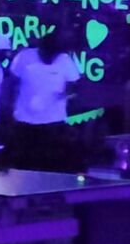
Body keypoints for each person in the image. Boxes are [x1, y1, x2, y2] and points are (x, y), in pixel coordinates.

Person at [8, 31, 82, 170]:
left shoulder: (65, 60)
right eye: (47, 53)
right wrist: (8, 108)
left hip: (54, 123)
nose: (50, 57)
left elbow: (74, 86)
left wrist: (67, 94)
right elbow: (11, 82)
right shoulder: (24, 57)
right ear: (40, 48)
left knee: (51, 164)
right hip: (25, 122)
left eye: (53, 54)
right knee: (25, 164)